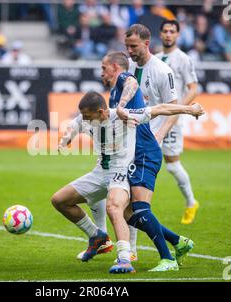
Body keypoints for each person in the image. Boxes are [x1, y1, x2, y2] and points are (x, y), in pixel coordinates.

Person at [81, 25, 196, 267]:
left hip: (148, 142)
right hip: (130, 143)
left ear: (147, 43)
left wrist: (161, 133)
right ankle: (165, 244)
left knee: (139, 207)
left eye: (134, 46)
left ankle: (163, 255)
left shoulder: (162, 71)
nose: (130, 51)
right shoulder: (127, 69)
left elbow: (168, 107)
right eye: (127, 47)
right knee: (127, 209)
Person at [53, 89, 203, 273]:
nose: (83, 119)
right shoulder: (85, 119)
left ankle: (124, 259)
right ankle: (96, 235)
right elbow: (73, 126)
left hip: (122, 171)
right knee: (60, 200)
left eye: (86, 115)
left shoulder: (123, 116)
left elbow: (161, 108)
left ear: (101, 112)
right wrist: (65, 139)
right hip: (100, 172)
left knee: (115, 208)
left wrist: (190, 109)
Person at [156, 20, 200, 224]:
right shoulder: (155, 58)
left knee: (172, 166)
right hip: (154, 116)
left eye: (172, 31)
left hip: (172, 117)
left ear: (177, 35)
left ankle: (191, 202)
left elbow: (193, 88)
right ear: (160, 34)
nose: (168, 35)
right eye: (165, 31)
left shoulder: (183, 59)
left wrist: (179, 108)